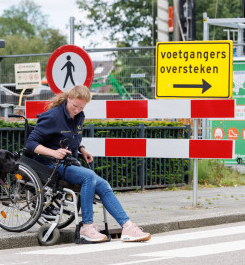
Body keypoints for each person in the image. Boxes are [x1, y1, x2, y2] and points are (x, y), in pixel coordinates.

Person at [25, 85, 151, 243]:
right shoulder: (52, 116)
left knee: (103, 184)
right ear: (68, 99)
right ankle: (87, 227)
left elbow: (72, 138)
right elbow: (30, 143)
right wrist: (53, 153)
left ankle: (127, 226)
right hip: (48, 164)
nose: (77, 110)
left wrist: (82, 149)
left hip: (67, 163)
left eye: (81, 107)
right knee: (89, 177)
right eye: (75, 106)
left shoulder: (79, 116)